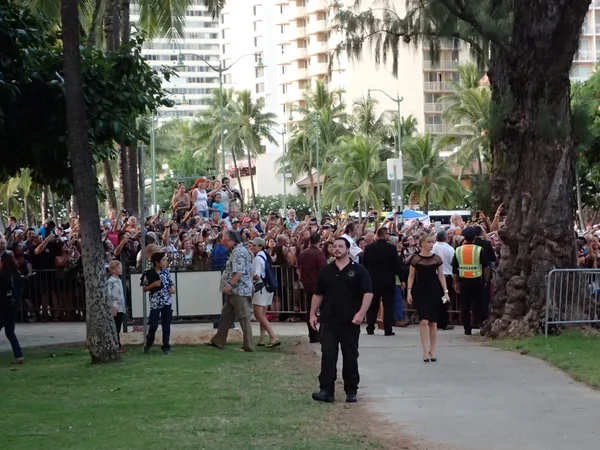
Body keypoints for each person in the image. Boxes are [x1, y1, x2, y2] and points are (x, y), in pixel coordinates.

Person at [309, 238, 373, 403]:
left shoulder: (359, 270)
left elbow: (368, 293)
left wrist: (361, 313)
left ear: (348, 249)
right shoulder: (326, 270)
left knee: (350, 356)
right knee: (328, 356)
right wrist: (312, 314)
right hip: (329, 321)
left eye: (340, 246)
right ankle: (326, 390)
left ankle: (351, 390)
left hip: (350, 321)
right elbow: (318, 294)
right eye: (334, 246)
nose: (336, 249)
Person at [206, 230, 254, 352]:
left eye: (226, 240)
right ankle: (218, 341)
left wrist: (229, 284)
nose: (223, 243)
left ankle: (248, 345)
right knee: (226, 316)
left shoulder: (238, 252)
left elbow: (238, 272)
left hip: (239, 290)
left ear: (233, 240)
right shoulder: (238, 251)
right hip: (235, 291)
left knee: (244, 317)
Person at [407, 234, 449, 362]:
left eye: (432, 242)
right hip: (420, 291)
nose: (431, 245)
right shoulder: (415, 259)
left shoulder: (437, 258)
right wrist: (409, 292)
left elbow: (441, 276)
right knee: (423, 321)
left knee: (433, 322)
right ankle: (425, 350)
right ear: (422, 244)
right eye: (429, 242)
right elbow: (411, 277)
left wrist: (446, 291)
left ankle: (433, 349)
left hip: (434, 291)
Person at [363, 227, 402, 336]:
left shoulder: (369, 248)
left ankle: (370, 327)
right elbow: (397, 265)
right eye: (388, 234)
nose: (389, 236)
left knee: (373, 305)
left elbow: (365, 264)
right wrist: (402, 278)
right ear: (384, 234)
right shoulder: (391, 248)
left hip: (373, 280)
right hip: (388, 280)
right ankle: (388, 329)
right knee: (388, 305)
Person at [452, 227, 490, 336]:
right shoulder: (479, 250)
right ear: (474, 238)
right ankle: (479, 324)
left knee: (465, 306)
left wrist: (455, 283)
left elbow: (454, 269)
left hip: (464, 281)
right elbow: (486, 267)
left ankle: (467, 328)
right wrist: (486, 279)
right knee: (479, 304)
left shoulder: (458, 250)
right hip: (477, 281)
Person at [142, 252, 175, 355]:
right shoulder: (149, 273)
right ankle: (149, 343)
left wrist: (172, 289)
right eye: (163, 260)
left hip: (166, 302)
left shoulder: (166, 272)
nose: (165, 262)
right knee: (154, 325)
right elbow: (145, 288)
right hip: (155, 303)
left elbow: (171, 285)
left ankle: (166, 346)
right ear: (157, 262)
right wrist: (153, 285)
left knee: (166, 325)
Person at [297, 232, 327, 343]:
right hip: (318, 285)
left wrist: (302, 280)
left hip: (307, 285)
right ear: (319, 240)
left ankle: (312, 334)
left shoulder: (302, 253)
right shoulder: (319, 254)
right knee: (323, 309)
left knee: (310, 310)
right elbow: (324, 270)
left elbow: (298, 269)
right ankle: (321, 333)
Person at [250, 237, 279, 347]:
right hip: (268, 288)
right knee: (262, 315)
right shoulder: (265, 256)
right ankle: (262, 339)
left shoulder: (258, 259)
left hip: (261, 288)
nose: (252, 247)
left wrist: (249, 276)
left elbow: (257, 276)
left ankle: (273, 336)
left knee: (258, 315)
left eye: (254, 245)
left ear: (260, 246)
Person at [0, 252, 24, 364]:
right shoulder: (17, 274)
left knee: (9, 332)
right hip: (13, 305)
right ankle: (19, 356)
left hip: (4, 306)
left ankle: (19, 356)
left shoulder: (3, 275)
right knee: (10, 332)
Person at [432, 229, 455, 331]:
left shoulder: (432, 248)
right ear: (446, 237)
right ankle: (444, 322)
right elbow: (453, 263)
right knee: (445, 300)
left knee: (436, 300)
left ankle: (436, 321)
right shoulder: (450, 249)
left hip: (435, 276)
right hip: (447, 276)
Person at [474, 225, 496, 321]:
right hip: (484, 273)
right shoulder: (486, 244)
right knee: (484, 297)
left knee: (473, 299)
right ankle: (484, 318)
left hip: (470, 273)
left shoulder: (468, 245)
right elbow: (493, 258)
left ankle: (474, 319)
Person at [106, 260, 127, 353]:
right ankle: (115, 345)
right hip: (115, 307)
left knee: (118, 327)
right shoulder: (110, 281)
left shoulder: (119, 280)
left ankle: (118, 345)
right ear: (113, 270)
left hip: (121, 307)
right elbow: (109, 295)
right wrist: (112, 308)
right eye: (119, 268)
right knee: (115, 327)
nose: (120, 269)